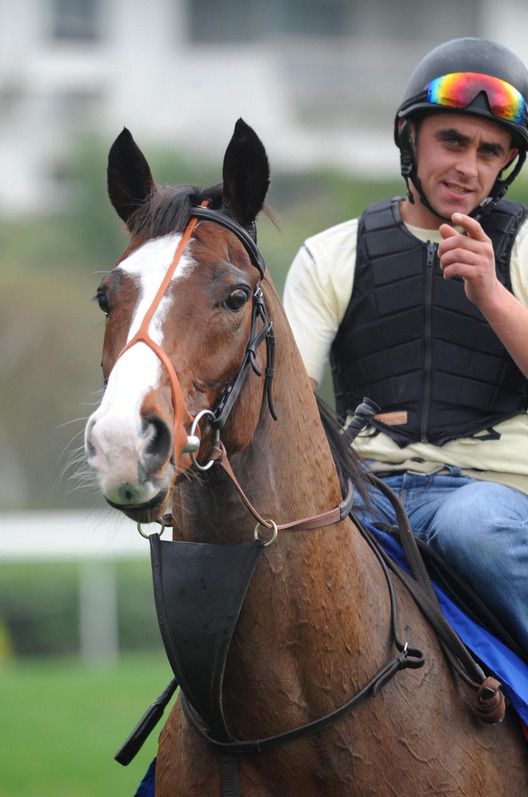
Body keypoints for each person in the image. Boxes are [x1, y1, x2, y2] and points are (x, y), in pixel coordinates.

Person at [283, 37, 528, 652]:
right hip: (364, 499)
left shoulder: (524, 246)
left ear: (506, 164)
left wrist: (492, 296)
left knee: (475, 525)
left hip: (494, 506)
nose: (468, 167)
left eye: (489, 150)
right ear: (409, 139)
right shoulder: (328, 254)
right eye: (451, 141)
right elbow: (284, 407)